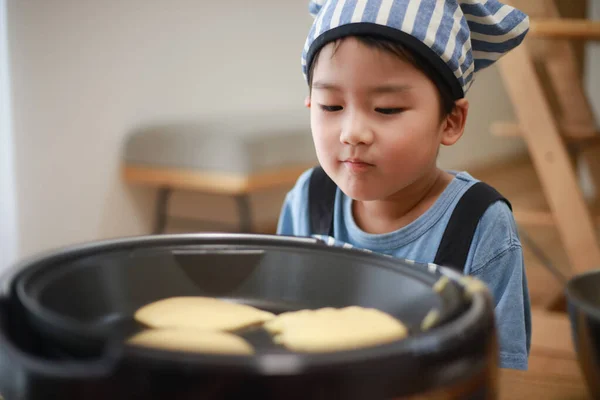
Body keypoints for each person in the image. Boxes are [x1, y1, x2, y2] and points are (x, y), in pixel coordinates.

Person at [277, 0, 531, 370]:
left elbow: (499, 371)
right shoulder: (308, 199)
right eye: (331, 106)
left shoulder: (479, 224)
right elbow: (280, 322)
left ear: (451, 120)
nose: (353, 133)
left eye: (387, 109)